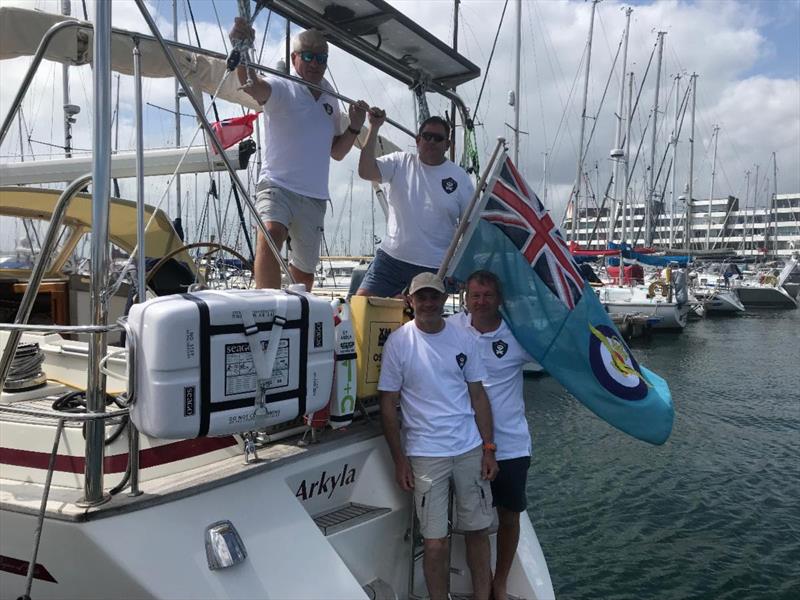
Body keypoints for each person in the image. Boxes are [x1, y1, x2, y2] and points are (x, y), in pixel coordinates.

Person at [378, 272, 498, 600]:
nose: (428, 303)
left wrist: (489, 448)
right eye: (422, 297)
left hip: (469, 447)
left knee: (478, 531)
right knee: (434, 542)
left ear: (444, 300)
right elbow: (388, 405)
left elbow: (478, 397)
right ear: (410, 300)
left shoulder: (464, 339)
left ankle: (482, 596)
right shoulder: (398, 343)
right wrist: (399, 459)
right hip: (425, 452)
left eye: (434, 297)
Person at [229, 18, 370, 290]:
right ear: (294, 58)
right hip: (277, 185)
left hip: (314, 196)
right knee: (270, 235)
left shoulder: (330, 96)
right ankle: (266, 306)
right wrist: (240, 48)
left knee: (304, 272)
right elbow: (251, 84)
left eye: (321, 58)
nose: (315, 64)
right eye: (308, 57)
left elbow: (337, 153)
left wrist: (354, 126)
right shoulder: (282, 86)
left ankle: (294, 314)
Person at [450, 270, 535, 600]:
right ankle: (481, 584)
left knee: (509, 518)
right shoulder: (453, 328)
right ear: (467, 299)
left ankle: (500, 582)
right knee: (475, 524)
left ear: (498, 299)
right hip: (468, 444)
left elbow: (559, 353)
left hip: (512, 444)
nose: (481, 302)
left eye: (487, 295)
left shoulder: (518, 335)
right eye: (475, 296)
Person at [356, 114, 475, 296]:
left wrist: (462, 269)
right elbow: (365, 171)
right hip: (391, 261)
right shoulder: (399, 162)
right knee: (362, 305)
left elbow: (470, 227)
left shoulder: (460, 178)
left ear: (447, 145)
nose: (431, 141)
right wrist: (373, 127)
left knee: (424, 321)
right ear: (418, 140)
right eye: (427, 136)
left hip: (435, 267)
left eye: (438, 138)